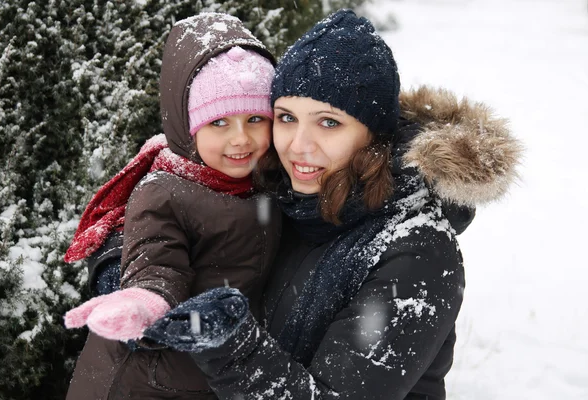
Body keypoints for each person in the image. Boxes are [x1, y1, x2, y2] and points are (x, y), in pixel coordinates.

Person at [141, 9, 522, 400]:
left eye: (328, 122)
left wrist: (231, 346)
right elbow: (180, 211)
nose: (298, 145)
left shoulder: (418, 250)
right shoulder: (280, 196)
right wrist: (127, 260)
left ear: (374, 134)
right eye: (287, 117)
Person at [62, 13, 282, 399]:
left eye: (254, 119)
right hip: (143, 382)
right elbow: (157, 262)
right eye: (219, 123)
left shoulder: (271, 183)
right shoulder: (164, 190)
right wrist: (146, 300)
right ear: (187, 126)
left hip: (210, 376)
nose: (241, 139)